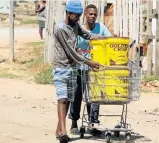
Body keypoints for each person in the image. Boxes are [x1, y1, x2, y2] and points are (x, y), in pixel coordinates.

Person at [52, 1, 102, 143]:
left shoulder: (75, 25)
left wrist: (104, 38)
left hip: (72, 68)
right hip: (61, 68)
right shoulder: (60, 29)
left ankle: (58, 130)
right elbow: (71, 51)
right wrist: (88, 62)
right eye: (77, 15)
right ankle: (63, 133)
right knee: (62, 99)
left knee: (68, 100)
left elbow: (87, 34)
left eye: (80, 15)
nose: (79, 18)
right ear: (69, 13)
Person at [68, 4, 112, 134]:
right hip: (80, 66)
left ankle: (92, 123)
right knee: (77, 95)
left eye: (95, 14)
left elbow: (109, 39)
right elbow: (72, 47)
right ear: (85, 15)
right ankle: (74, 122)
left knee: (94, 95)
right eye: (90, 14)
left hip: (95, 67)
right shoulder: (79, 29)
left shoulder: (101, 28)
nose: (92, 16)